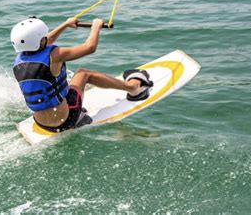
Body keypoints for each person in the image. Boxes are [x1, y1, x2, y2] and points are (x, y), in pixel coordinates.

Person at [10, 17, 152, 133]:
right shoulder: (55, 56)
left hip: (41, 123)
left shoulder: (19, 61)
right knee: (84, 74)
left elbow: (44, 41)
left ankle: (71, 112)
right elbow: (89, 48)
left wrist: (65, 24)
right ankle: (133, 88)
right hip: (65, 121)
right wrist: (96, 26)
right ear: (40, 41)